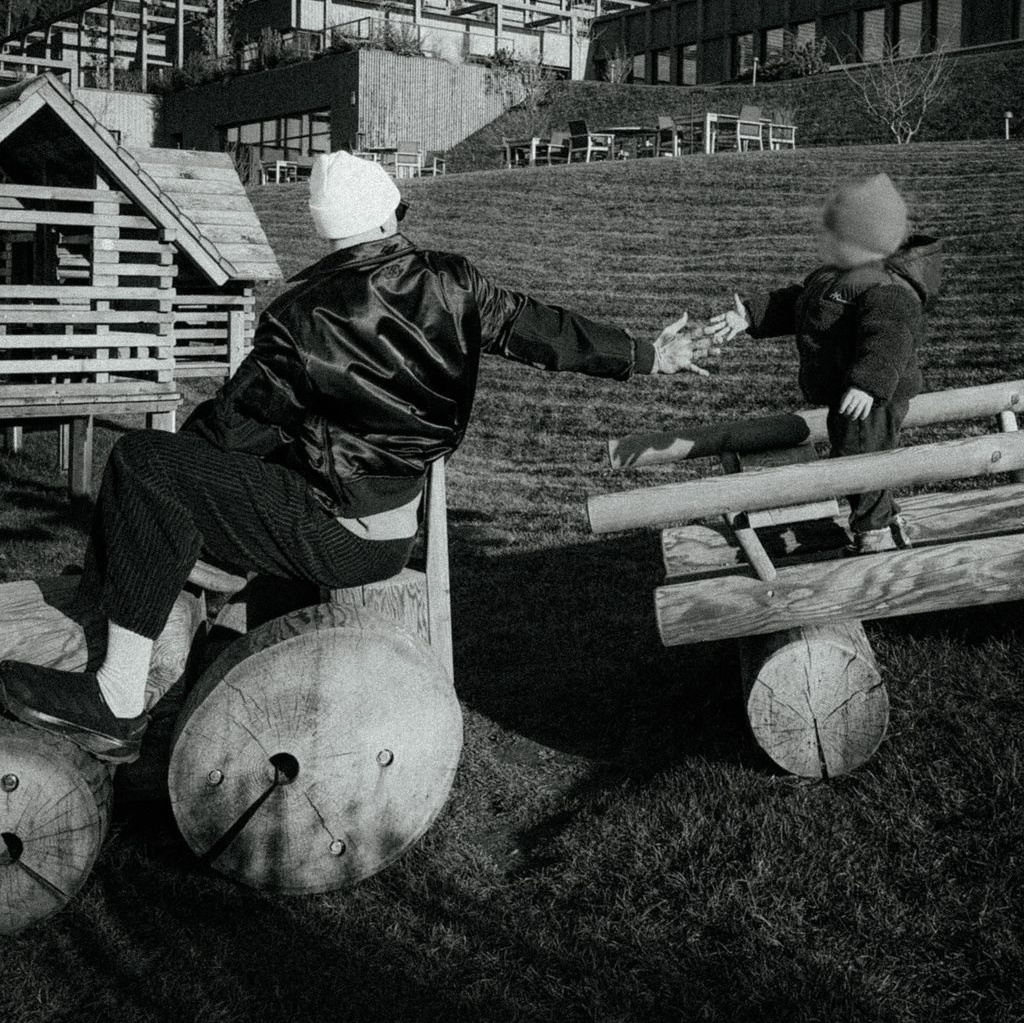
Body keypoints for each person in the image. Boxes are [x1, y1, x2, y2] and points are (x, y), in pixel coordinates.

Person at [0, 151, 717, 763]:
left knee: (143, 463)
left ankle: (118, 699)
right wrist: (645, 354)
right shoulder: (453, 280)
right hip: (388, 523)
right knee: (175, 481)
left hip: (335, 533)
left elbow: (229, 431)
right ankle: (160, 626)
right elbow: (543, 329)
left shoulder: (300, 315)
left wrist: (145, 518)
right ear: (387, 214)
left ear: (326, 230)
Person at [704, 172, 942, 554]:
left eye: (832, 235)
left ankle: (874, 533)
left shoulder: (884, 288)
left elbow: (890, 337)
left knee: (858, 458)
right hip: (848, 391)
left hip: (871, 397)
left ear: (862, 241)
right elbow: (799, 303)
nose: (823, 241)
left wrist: (868, 384)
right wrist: (748, 316)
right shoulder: (836, 278)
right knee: (853, 451)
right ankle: (884, 517)